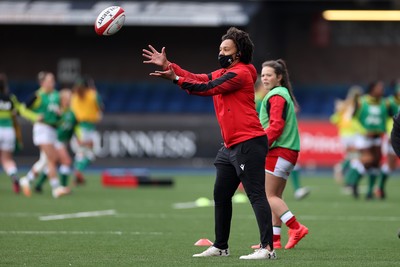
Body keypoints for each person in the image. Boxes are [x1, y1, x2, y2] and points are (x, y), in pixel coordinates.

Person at [142, 27, 276, 260]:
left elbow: (207, 88)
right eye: (220, 48)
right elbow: (200, 78)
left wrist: (175, 79)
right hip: (230, 146)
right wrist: (168, 65)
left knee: (255, 195)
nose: (221, 52)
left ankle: (267, 249)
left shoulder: (242, 73)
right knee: (221, 195)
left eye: (226, 49)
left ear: (238, 53)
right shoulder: (227, 71)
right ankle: (221, 246)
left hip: (248, 142)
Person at [255, 59, 308, 250]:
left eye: (269, 75)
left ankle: (296, 228)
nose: (265, 78)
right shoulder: (283, 93)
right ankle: (274, 240)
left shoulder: (276, 95)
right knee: (276, 196)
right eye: (262, 75)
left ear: (279, 77)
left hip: (278, 151)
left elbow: (276, 126)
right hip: (288, 152)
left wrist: (260, 145)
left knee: (268, 196)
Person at [19, 71, 69, 198]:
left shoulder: (56, 95)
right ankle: (55, 188)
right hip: (42, 129)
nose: (52, 83)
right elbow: (22, 109)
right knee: (52, 158)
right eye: (49, 80)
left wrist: (61, 113)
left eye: (53, 80)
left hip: (52, 130)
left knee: (44, 160)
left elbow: (61, 112)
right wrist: (35, 116)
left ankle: (27, 180)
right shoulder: (38, 96)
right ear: (42, 82)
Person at [345, 81, 389, 199]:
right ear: (372, 89)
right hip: (363, 138)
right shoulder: (361, 102)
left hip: (378, 137)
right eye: (379, 88)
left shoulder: (385, 103)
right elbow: (352, 119)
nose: (382, 90)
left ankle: (369, 192)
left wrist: (387, 131)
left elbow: (390, 119)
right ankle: (353, 181)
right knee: (367, 161)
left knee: (375, 164)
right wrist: (363, 131)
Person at [0, 73, 40, 193]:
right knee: (6, 159)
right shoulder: (11, 98)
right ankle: (14, 176)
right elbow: (22, 110)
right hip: (8, 131)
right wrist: (35, 117)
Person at [34, 88, 77, 193]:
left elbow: (74, 129)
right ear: (62, 99)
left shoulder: (72, 113)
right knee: (64, 161)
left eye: (70, 98)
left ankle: (38, 184)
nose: (69, 100)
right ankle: (61, 186)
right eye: (67, 98)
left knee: (50, 162)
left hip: (60, 141)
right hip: (54, 140)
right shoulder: (55, 110)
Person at [70, 75, 103, 185]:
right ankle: (78, 172)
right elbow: (100, 107)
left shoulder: (74, 97)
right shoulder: (92, 95)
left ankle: (78, 172)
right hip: (85, 127)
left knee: (83, 153)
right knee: (88, 153)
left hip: (80, 126)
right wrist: (94, 92)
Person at [330, 85, 364, 187]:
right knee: (356, 157)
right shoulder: (359, 105)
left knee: (353, 157)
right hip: (354, 134)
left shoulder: (344, 105)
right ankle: (344, 171)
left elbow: (333, 120)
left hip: (344, 134)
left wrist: (337, 111)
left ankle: (348, 180)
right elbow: (356, 120)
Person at [377, 81, 400, 199]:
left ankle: (379, 187)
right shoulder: (389, 103)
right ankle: (379, 187)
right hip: (393, 135)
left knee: (392, 166)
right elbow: (382, 118)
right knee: (390, 164)